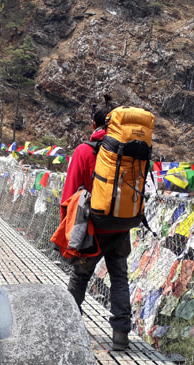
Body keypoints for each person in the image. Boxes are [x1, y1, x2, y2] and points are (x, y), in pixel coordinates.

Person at [60, 105, 133, 351]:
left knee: (80, 277)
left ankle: (69, 329)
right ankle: (121, 334)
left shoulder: (84, 150)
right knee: (120, 278)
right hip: (121, 226)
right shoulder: (128, 152)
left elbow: (69, 194)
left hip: (92, 227)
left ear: (94, 124)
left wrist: (67, 232)